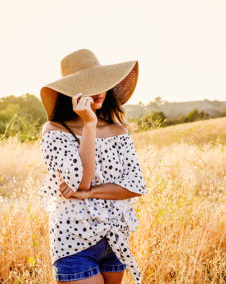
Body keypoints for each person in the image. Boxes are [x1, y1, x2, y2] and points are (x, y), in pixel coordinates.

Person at [38, 49, 148, 284]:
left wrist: (89, 194)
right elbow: (80, 181)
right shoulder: (55, 132)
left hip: (114, 238)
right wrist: (89, 124)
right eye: (89, 85)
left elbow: (135, 185)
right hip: (74, 241)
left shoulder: (118, 131)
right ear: (71, 93)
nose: (99, 92)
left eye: (103, 83)